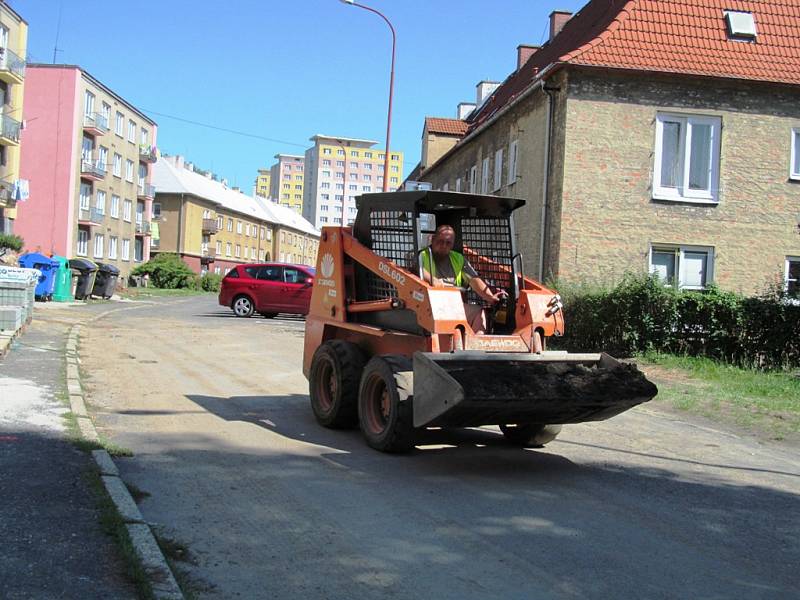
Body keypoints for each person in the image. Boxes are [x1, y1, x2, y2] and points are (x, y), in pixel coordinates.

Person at [419, 224, 506, 334]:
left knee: (478, 312)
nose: (444, 245)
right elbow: (417, 269)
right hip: (428, 305)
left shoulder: (458, 259)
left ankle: (477, 345)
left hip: (452, 305)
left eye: (448, 243)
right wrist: (433, 280)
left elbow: (474, 280)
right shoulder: (422, 255)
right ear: (432, 239)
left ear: (452, 244)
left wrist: (490, 297)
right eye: (440, 241)